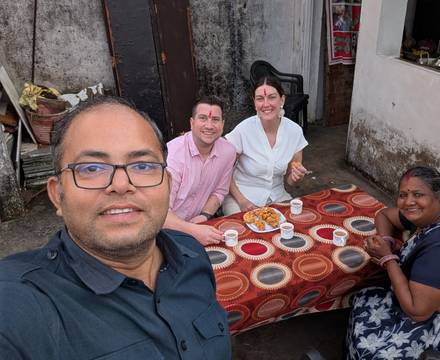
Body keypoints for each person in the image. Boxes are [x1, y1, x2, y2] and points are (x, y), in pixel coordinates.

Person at [0, 96, 231, 359]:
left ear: (166, 184)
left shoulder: (192, 256)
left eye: (143, 165)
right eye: (92, 167)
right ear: (57, 195)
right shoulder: (20, 304)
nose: (121, 185)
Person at [346, 166, 440, 359]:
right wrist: (386, 241)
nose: (409, 202)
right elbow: (384, 215)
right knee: (363, 299)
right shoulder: (433, 215)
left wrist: (388, 258)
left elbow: (417, 312)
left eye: (418, 194)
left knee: (372, 348)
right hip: (432, 299)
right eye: (403, 195)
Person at [222, 76, 308, 215]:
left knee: (293, 226)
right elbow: (224, 170)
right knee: (244, 233)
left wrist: (296, 177)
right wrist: (242, 201)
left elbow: (292, 181)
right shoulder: (243, 130)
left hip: (277, 196)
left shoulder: (294, 132)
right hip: (241, 197)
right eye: (260, 98)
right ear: (255, 103)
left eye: (272, 97)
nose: (266, 104)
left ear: (282, 100)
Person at [163, 97, 236, 245]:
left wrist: (204, 215)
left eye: (215, 119)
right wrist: (192, 231)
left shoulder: (228, 151)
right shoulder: (173, 155)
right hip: (167, 230)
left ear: (222, 125)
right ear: (192, 123)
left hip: (201, 223)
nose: (209, 125)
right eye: (203, 118)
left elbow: (220, 191)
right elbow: (160, 213)